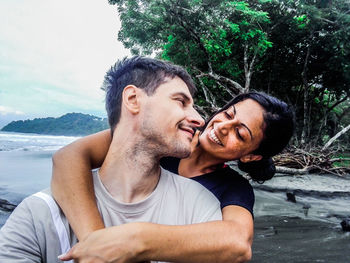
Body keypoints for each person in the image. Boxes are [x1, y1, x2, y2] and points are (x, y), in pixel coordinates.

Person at [0, 56, 224, 263]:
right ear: (133, 99)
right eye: (180, 101)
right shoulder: (40, 213)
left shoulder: (200, 207)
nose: (199, 119)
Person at [52, 90, 295, 262]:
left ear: (251, 157)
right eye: (229, 114)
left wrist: (137, 241)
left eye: (239, 134)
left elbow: (239, 244)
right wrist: (97, 242)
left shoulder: (233, 188)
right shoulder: (169, 132)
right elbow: (69, 157)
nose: (222, 126)